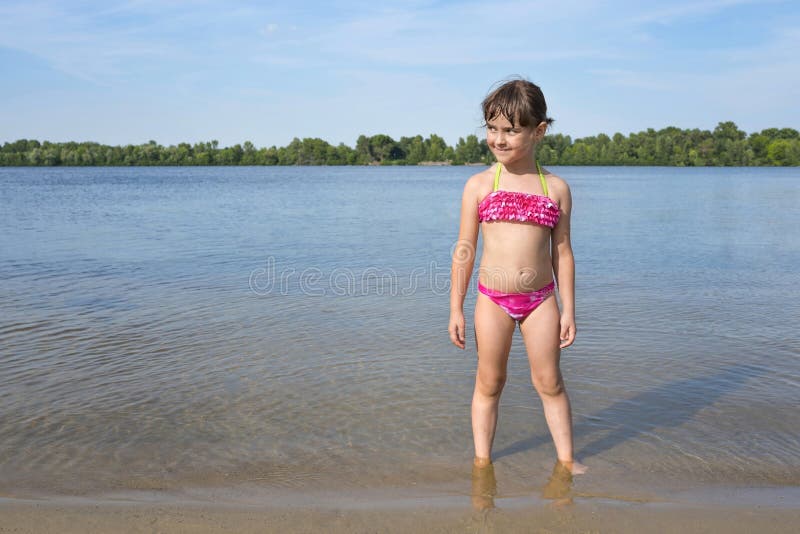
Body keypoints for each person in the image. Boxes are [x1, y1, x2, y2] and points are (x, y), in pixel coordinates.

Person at [449, 78, 586, 475]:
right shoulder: (478, 185)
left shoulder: (555, 189)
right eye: (492, 128)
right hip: (492, 300)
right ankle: (482, 462)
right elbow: (465, 249)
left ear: (538, 130)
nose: (499, 139)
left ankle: (567, 461)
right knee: (489, 382)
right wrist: (455, 306)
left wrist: (568, 309)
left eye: (511, 130)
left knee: (550, 382)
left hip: (541, 300)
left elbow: (562, 252)